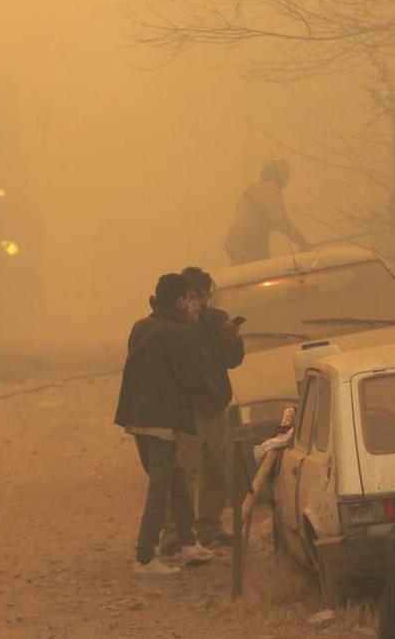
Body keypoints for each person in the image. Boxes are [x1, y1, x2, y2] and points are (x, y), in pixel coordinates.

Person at [115, 273, 230, 576]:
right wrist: (218, 397)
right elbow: (193, 379)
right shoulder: (179, 335)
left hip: (138, 419)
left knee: (176, 479)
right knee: (161, 487)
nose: (195, 305)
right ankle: (144, 556)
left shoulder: (142, 327)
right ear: (179, 301)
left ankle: (187, 540)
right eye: (190, 299)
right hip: (162, 422)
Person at [161, 267, 245, 552]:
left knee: (217, 469)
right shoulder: (175, 325)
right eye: (194, 296)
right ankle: (175, 532)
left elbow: (232, 360)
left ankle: (209, 526)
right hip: (189, 409)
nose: (200, 302)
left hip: (216, 405)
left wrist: (233, 340)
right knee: (185, 471)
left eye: (205, 295)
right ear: (184, 298)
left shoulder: (217, 320)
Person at [222, 158, 311, 265]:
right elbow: (281, 221)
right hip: (247, 248)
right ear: (276, 175)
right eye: (285, 175)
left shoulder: (258, 189)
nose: (287, 178)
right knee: (261, 275)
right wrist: (301, 240)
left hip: (243, 245)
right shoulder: (269, 190)